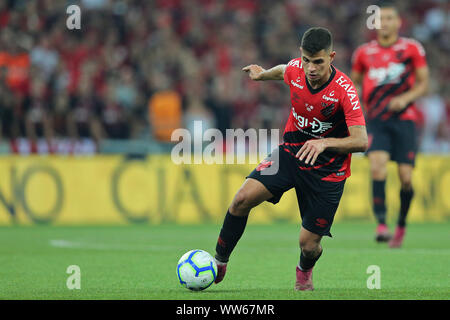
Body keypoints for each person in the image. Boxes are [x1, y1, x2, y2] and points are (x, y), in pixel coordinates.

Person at [213, 27, 368, 291]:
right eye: (307, 61)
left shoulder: (344, 90)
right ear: (301, 55)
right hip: (291, 154)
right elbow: (284, 69)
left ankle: (304, 270)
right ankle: (218, 262)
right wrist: (262, 75)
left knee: (308, 245)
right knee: (240, 200)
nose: (311, 69)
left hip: (327, 171)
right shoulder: (297, 69)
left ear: (331, 57)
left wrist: (325, 142)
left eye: (318, 62)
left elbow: (362, 141)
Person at [350, 1, 429, 248]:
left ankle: (401, 225)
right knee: (378, 167)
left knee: (406, 178)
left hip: (405, 120)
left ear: (398, 22)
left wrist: (404, 99)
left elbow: (423, 83)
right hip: (376, 119)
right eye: (380, 19)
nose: (385, 23)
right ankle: (382, 224)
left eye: (389, 19)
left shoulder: (411, 49)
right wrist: (360, 106)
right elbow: (354, 84)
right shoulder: (363, 53)